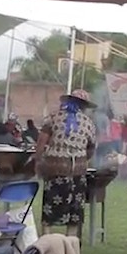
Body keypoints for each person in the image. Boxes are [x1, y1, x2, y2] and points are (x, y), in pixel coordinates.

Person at [34, 89, 97, 237]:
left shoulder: (53, 118)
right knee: (74, 208)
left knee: (50, 204)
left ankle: (47, 237)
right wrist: (84, 159)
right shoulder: (88, 123)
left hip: (54, 169)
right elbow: (92, 147)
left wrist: (38, 160)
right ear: (84, 106)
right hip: (77, 170)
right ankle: (70, 239)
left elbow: (41, 143)